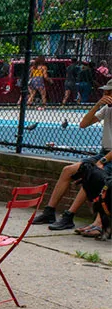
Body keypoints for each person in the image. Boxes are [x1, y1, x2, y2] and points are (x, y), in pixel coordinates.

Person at [32, 84, 112, 232]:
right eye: (105, 91)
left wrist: (102, 162)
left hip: (109, 156)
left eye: (109, 91)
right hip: (104, 152)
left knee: (91, 175)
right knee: (67, 170)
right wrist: (96, 106)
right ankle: (49, 211)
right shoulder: (107, 109)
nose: (106, 94)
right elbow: (83, 124)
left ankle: (69, 216)